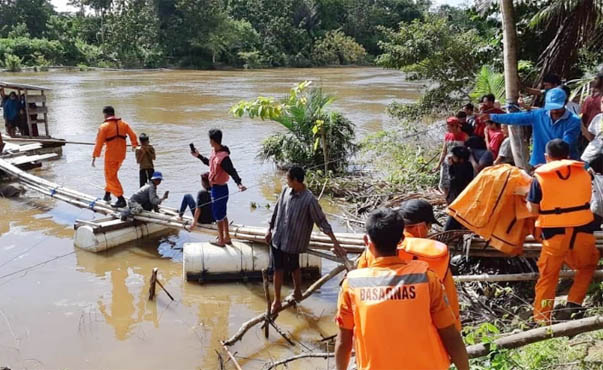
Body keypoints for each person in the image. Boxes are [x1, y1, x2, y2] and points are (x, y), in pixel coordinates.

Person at [335, 208, 469, 370]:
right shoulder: (426, 278)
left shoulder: (352, 284)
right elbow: (450, 334)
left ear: (366, 241)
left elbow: (344, 342)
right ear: (401, 240)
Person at [357, 199, 461, 329]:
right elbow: (451, 305)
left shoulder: (374, 249)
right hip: (422, 330)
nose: (429, 231)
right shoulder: (435, 254)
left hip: (380, 327)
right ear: (420, 226)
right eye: (429, 227)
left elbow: (357, 293)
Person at [526, 139, 599, 323]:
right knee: (587, 266)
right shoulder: (584, 173)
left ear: (546, 157)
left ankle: (542, 319)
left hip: (553, 233)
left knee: (548, 276)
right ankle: (574, 303)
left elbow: (532, 210)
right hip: (583, 229)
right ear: (568, 156)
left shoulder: (539, 178)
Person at [266, 166, 345, 312]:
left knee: (294, 267)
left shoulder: (309, 200)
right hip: (278, 236)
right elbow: (276, 210)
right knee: (278, 269)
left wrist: (335, 243)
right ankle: (277, 301)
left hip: (293, 241)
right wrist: (269, 230)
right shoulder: (285, 191)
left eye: (288, 178)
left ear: (296, 180)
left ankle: (297, 291)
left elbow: (322, 222)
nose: (286, 181)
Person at [483, 87, 582, 167]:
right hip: (539, 163)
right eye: (551, 107)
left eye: (557, 107)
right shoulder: (538, 114)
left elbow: (566, 145)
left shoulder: (573, 121)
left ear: (565, 103)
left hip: (564, 165)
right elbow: (514, 118)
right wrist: (491, 116)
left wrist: (550, 165)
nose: (554, 111)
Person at [191, 128, 247, 247]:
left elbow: (232, 171)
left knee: (218, 216)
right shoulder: (214, 152)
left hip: (219, 189)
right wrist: (198, 156)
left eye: (210, 140)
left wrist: (239, 183)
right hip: (217, 188)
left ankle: (221, 240)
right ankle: (227, 237)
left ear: (212, 140)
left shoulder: (224, 157)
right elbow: (210, 163)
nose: (209, 142)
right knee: (223, 214)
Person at [92, 106, 138, 208]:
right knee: (112, 174)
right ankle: (107, 195)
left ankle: (120, 199)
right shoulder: (124, 124)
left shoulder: (104, 127)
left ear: (105, 114)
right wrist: (134, 145)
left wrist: (95, 155)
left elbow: (99, 143)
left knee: (110, 176)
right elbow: (133, 135)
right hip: (121, 155)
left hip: (111, 156)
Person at [434, 117, 468, 194]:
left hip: (458, 164)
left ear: (455, 126)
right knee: (445, 182)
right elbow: (444, 151)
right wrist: (439, 164)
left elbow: (468, 151)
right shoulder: (447, 136)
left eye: (449, 126)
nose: (447, 128)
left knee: (457, 182)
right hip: (447, 162)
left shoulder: (464, 136)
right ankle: (447, 197)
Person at [581, 97, 603, 164]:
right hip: (590, 156)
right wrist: (581, 124)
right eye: (602, 102)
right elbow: (591, 138)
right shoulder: (598, 117)